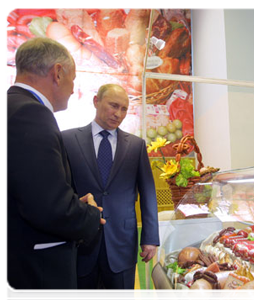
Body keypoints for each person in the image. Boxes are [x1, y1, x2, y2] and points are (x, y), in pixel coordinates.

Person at [5, 37, 105, 300]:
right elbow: (47, 208)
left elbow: (29, 189)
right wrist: (91, 215)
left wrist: (71, 201)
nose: (73, 90)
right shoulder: (31, 114)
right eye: (73, 79)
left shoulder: (11, 107)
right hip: (35, 273)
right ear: (58, 73)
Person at [62, 84, 160, 300]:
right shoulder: (68, 140)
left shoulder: (136, 146)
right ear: (97, 101)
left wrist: (150, 238)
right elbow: (62, 188)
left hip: (122, 242)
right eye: (113, 105)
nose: (118, 114)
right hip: (82, 240)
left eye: (124, 109)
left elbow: (148, 191)